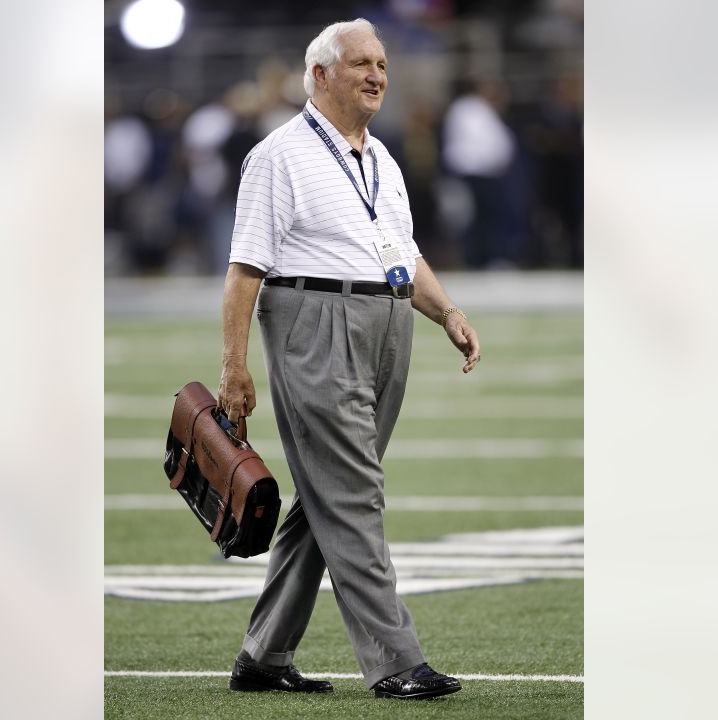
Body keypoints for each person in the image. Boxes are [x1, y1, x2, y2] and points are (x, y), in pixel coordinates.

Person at [216, 18, 481, 700]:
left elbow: (403, 249)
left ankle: (264, 653)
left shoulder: (381, 159)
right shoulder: (279, 155)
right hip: (316, 322)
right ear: (320, 76)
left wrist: (446, 311)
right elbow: (245, 269)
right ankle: (395, 660)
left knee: (328, 495)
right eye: (362, 63)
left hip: (388, 323)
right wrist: (234, 366)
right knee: (355, 491)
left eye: (383, 65)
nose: (377, 76)